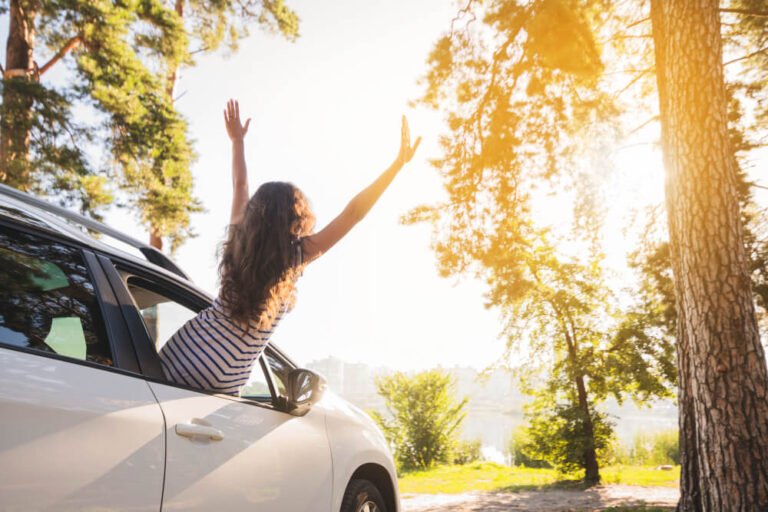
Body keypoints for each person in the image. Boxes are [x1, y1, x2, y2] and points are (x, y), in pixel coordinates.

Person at [159, 99, 421, 395]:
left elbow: (240, 185)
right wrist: (396, 166)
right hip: (222, 377)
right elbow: (353, 213)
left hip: (183, 352)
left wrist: (237, 142)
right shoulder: (296, 256)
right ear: (296, 217)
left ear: (256, 213)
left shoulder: (238, 239)